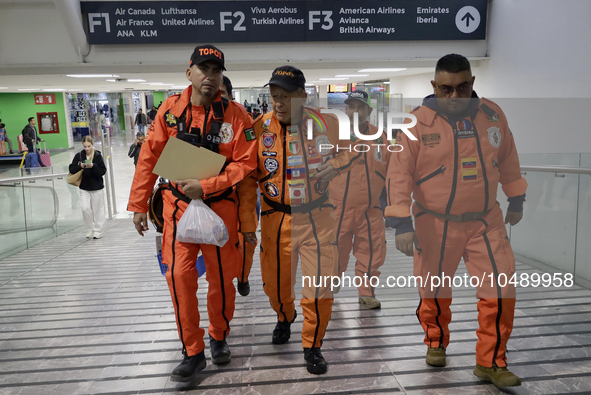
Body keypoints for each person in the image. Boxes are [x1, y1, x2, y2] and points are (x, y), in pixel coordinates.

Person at [385, 54, 527, 388]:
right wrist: (401, 222)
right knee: (434, 288)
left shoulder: (492, 115)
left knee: (501, 289)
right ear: (434, 86)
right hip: (434, 223)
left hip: (485, 221)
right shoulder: (415, 123)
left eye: (462, 87)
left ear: (472, 83)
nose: (454, 96)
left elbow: (508, 157)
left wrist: (516, 197)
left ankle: (491, 361)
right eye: (446, 89)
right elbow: (398, 173)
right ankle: (435, 339)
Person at [127, 44, 257, 382]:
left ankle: (218, 336)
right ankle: (192, 351)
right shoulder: (169, 111)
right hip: (177, 209)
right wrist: (139, 204)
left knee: (220, 281)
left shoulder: (236, 116)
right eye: (204, 69)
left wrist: (211, 185)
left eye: (216, 71)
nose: (210, 76)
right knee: (179, 278)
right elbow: (150, 156)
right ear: (189, 73)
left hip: (220, 211)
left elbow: (246, 162)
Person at [238, 65, 361, 375]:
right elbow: (248, 181)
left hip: (318, 216)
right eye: (274, 96)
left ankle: (313, 345)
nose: (278, 103)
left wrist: (335, 163)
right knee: (276, 287)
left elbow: (352, 150)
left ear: (303, 96)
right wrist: (247, 226)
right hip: (274, 219)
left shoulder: (327, 123)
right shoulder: (258, 129)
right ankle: (284, 316)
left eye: (286, 97)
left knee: (319, 286)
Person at [329, 90, 392, 309]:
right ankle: (332, 280)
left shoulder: (381, 137)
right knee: (335, 248)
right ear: (346, 110)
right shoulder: (334, 135)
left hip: (371, 209)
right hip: (338, 209)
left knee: (372, 251)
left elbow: (393, 171)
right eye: (352, 107)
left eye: (360, 107)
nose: (356, 111)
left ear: (369, 111)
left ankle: (367, 293)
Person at [220, 75, 256, 297]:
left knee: (246, 244)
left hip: (243, 193)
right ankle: (224, 282)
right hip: (214, 197)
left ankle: (243, 276)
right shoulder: (197, 120)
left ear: (230, 96)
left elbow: (249, 161)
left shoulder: (242, 119)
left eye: (221, 94)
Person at [69, 136, 107, 239]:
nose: (87, 149)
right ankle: (89, 228)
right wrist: (80, 166)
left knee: (98, 209)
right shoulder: (79, 155)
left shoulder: (97, 156)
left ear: (92, 144)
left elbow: (102, 171)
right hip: (84, 187)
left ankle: (98, 230)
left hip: (97, 187)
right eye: (85, 146)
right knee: (85, 208)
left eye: (89, 146)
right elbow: (71, 169)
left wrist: (93, 166)